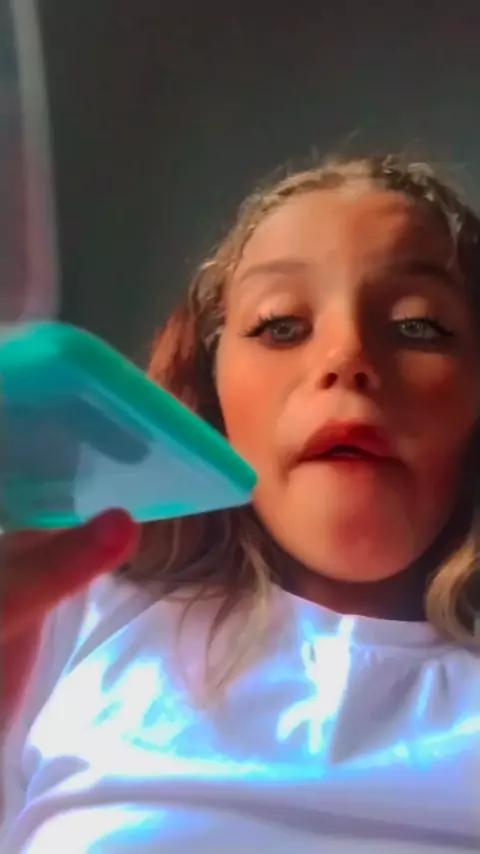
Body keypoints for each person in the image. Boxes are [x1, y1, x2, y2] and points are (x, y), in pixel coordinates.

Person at [1, 153, 479, 853]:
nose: (346, 357)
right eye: (280, 325)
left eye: (417, 326)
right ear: (209, 390)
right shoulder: (62, 615)